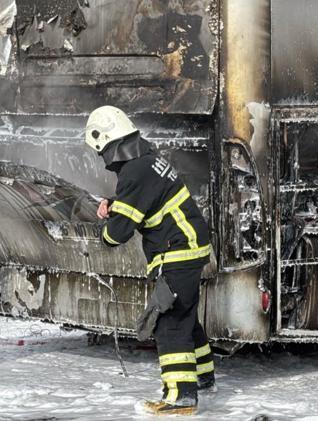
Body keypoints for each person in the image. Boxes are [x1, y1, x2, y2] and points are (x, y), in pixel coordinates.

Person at [84, 105, 216, 415]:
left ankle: (180, 397)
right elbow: (147, 200)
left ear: (107, 144)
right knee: (185, 315)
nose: (102, 158)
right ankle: (204, 377)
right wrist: (115, 205)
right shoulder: (147, 160)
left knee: (169, 322)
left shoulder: (133, 172)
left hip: (177, 250)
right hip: (189, 245)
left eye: (100, 151)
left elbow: (117, 235)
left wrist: (104, 229)